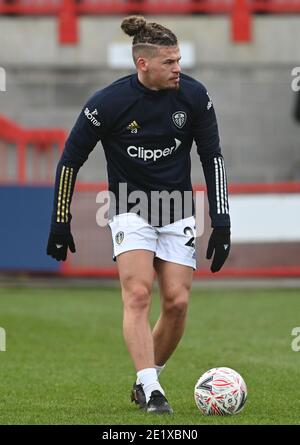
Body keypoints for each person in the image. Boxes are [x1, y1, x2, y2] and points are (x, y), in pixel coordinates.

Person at [47, 16, 231, 415]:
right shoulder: (107, 103)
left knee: (177, 302)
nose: (178, 69)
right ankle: (153, 391)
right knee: (138, 293)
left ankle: (146, 378)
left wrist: (221, 219)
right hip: (129, 207)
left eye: (179, 59)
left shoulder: (195, 97)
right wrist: (59, 220)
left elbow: (212, 157)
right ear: (142, 64)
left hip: (178, 207)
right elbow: (69, 161)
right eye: (169, 62)